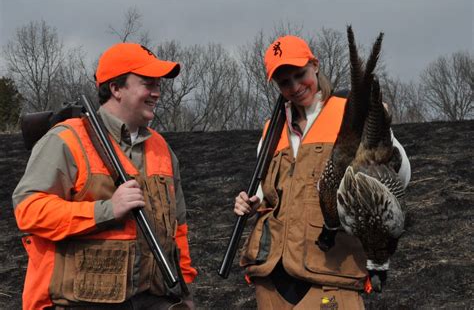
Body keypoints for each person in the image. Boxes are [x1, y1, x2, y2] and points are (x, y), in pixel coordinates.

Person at [13, 43, 197, 310]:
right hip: (80, 302)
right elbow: (28, 210)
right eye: (147, 83)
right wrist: (107, 210)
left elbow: (177, 227)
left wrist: (184, 289)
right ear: (116, 88)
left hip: (152, 299)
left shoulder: (162, 149)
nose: (156, 92)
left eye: (158, 84)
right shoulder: (66, 139)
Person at [234, 35, 411, 309]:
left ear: (314, 65)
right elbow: (266, 194)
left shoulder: (350, 111)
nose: (294, 87)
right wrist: (252, 201)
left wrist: (381, 132)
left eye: (299, 74)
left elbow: (403, 177)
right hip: (271, 279)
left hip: (330, 274)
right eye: (284, 82)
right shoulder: (272, 130)